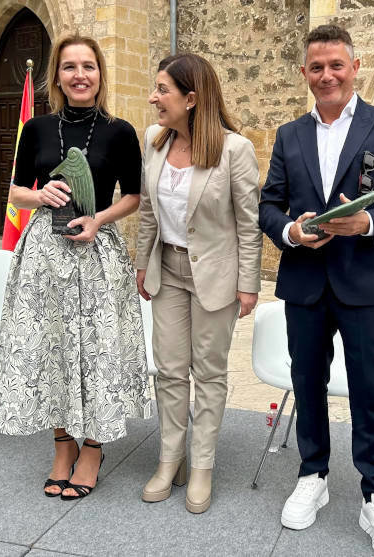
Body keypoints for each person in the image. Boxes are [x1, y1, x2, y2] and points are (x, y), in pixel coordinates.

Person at [258, 24, 374, 557]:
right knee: (306, 383)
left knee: (371, 391)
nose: (327, 75)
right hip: (306, 283)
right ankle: (314, 474)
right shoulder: (289, 136)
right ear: (306, 73)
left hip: (368, 283)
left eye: (336, 65)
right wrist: (291, 231)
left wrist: (369, 223)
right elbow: (269, 205)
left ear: (354, 67)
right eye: (316, 67)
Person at [0, 32, 152, 501]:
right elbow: (16, 191)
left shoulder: (120, 131)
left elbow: (135, 197)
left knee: (98, 350)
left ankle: (94, 448)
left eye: (88, 66)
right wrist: (39, 195)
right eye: (69, 67)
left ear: (100, 75)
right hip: (44, 253)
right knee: (53, 348)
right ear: (56, 76)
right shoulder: (38, 129)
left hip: (96, 251)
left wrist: (98, 219)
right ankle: (62, 446)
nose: (79, 75)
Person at [136, 53, 262, 514]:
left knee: (208, 372)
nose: (153, 98)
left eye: (162, 90)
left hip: (216, 277)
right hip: (165, 271)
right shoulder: (153, 141)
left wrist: (248, 284)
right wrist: (141, 265)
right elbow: (149, 211)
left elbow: (248, 225)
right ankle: (171, 459)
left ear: (191, 99)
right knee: (169, 369)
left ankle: (202, 465)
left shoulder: (234, 149)